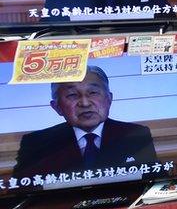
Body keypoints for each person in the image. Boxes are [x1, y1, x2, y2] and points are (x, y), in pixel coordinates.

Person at [12, 66, 159, 179]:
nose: (85, 103)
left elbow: (153, 180)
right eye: (72, 95)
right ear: (57, 107)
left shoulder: (136, 135)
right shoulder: (35, 143)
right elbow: (23, 190)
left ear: (109, 99)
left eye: (93, 93)